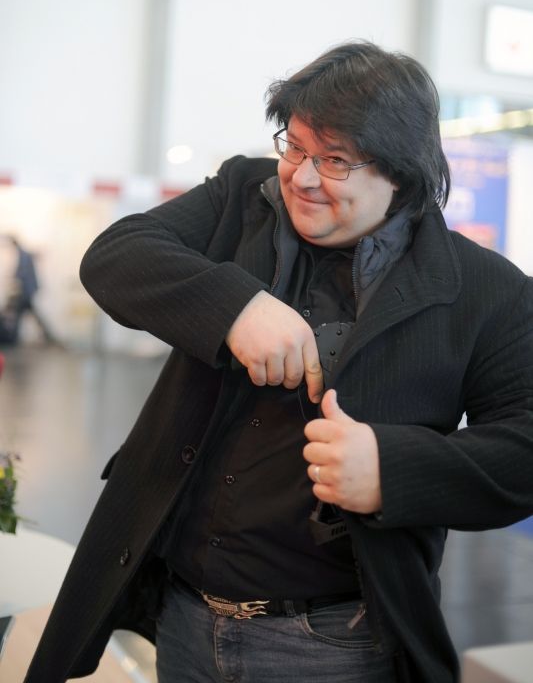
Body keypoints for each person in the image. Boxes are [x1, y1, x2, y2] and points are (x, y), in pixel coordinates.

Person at [25, 42, 533, 683]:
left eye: (336, 160)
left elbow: (524, 446)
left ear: (402, 173)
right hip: (181, 617)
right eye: (294, 146)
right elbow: (116, 255)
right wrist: (234, 308)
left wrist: (393, 469)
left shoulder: (486, 291)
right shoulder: (243, 197)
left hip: (335, 645)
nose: (303, 177)